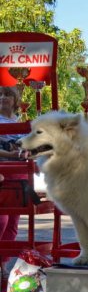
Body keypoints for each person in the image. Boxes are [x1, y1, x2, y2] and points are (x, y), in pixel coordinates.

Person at [0, 85, 24, 241]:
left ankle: (3, 263)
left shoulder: (20, 121)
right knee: (2, 220)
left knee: (13, 224)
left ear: (16, 100)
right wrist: (9, 153)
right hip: (2, 174)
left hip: (20, 175)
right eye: (0, 94)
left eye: (7, 94)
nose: (2, 98)